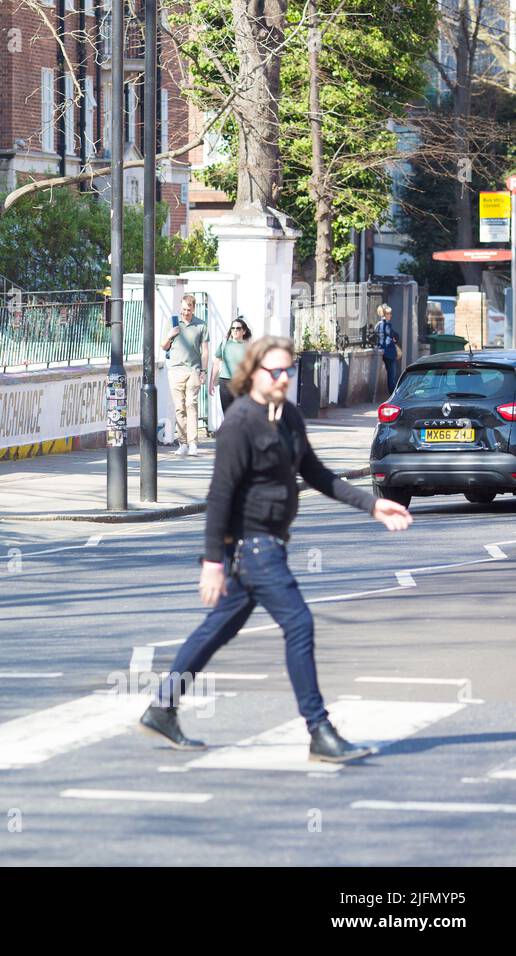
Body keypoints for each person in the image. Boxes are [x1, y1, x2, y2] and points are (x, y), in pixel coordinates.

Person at [138, 335, 413, 763]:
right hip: (253, 548)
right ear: (253, 372)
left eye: (289, 370)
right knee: (299, 624)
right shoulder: (240, 423)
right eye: (275, 371)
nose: (284, 378)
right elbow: (220, 496)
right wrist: (213, 561)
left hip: (267, 547)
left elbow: (318, 474)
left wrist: (372, 503)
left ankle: (161, 708)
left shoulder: (288, 417)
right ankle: (319, 731)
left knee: (218, 629)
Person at [161, 293, 209, 456]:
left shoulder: (201, 325)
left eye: (188, 309)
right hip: (175, 370)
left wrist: (203, 371)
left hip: (193, 370)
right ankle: (182, 443)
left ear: (194, 308)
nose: (185, 312)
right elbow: (164, 346)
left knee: (191, 404)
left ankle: (193, 443)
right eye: (183, 309)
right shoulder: (173, 322)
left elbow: (205, 351)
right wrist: (170, 335)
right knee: (179, 407)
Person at [211, 316, 252, 415]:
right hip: (225, 383)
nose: (235, 330)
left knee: (240, 414)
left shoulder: (248, 347)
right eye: (233, 328)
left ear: (244, 331)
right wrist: (211, 383)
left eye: (238, 328)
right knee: (227, 414)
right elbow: (216, 363)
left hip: (241, 384)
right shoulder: (224, 344)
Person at [374, 304, 401, 398]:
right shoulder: (386, 325)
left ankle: (393, 394)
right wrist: (395, 337)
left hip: (383, 351)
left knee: (391, 375)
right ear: (385, 314)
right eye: (389, 313)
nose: (391, 315)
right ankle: (394, 396)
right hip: (389, 352)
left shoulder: (379, 325)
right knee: (392, 375)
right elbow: (392, 335)